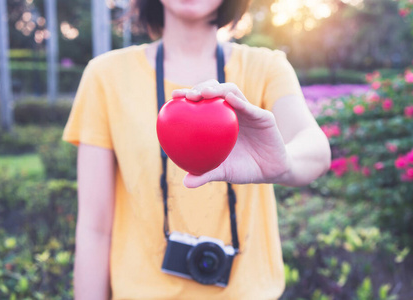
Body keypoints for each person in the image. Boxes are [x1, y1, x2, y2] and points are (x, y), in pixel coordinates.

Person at [63, 0, 331, 299]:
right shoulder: (106, 75)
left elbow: (315, 148)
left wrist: (284, 164)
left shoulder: (266, 67)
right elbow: (94, 229)